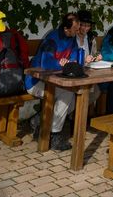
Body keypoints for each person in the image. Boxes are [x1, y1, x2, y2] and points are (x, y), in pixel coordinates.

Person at [25, 12, 79, 151]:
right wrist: (62, 64)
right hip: (36, 81)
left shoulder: (72, 38)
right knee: (67, 95)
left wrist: (69, 62)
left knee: (72, 102)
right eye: (75, 29)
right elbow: (46, 63)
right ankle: (54, 135)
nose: (77, 31)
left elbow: (74, 56)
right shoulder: (52, 39)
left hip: (55, 82)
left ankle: (39, 120)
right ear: (67, 29)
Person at [76, 8, 102, 105]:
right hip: (74, 73)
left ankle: (76, 115)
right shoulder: (72, 36)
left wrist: (96, 57)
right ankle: (76, 115)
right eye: (82, 24)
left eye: (88, 26)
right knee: (87, 91)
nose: (85, 28)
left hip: (87, 73)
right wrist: (84, 59)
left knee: (95, 92)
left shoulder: (90, 38)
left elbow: (94, 53)